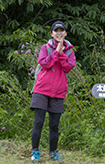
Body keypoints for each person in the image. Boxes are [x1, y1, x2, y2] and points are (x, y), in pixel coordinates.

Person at [30, 20, 76, 162]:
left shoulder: (70, 51)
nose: (59, 33)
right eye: (56, 31)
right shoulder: (45, 47)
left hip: (58, 92)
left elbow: (68, 67)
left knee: (54, 126)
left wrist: (61, 52)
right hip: (41, 90)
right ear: (52, 33)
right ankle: (35, 152)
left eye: (62, 30)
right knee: (39, 122)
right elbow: (44, 63)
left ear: (65, 33)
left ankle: (53, 152)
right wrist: (56, 51)